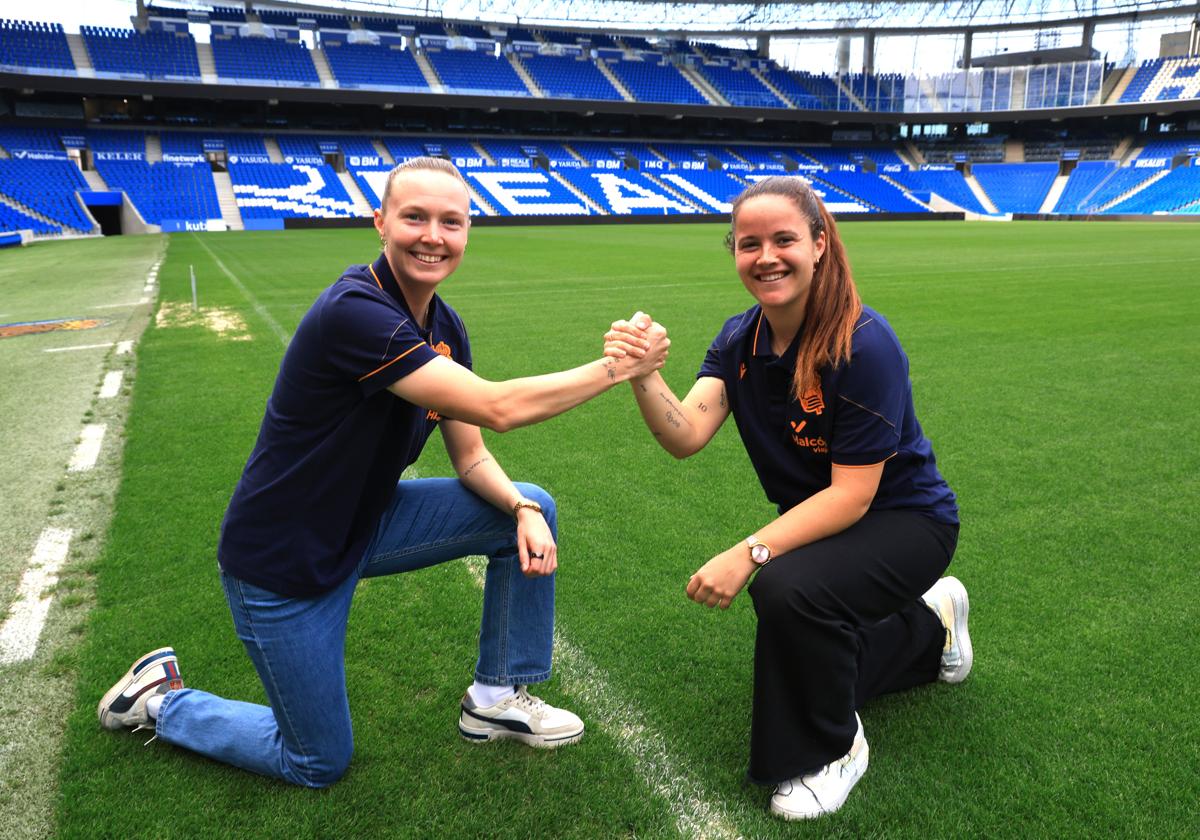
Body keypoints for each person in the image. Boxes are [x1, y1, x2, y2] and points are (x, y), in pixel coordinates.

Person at [97, 157, 669, 788]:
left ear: (467, 230)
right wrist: (621, 367)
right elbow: (499, 408)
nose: (433, 236)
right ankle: (159, 699)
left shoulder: (445, 326)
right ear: (381, 222)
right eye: (414, 217)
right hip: (285, 561)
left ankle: (495, 698)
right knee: (316, 760)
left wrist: (521, 510)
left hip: (365, 522)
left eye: (450, 221)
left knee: (530, 504)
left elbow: (472, 454)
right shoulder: (355, 310)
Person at [604, 175, 971, 820]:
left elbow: (854, 497)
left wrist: (748, 553)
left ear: (820, 244)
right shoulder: (739, 338)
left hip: (905, 520)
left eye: (784, 239)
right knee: (803, 612)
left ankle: (835, 749)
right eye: (749, 244)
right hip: (829, 517)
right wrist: (644, 375)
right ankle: (931, 627)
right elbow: (685, 434)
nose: (766, 256)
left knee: (786, 589)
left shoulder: (864, 343)